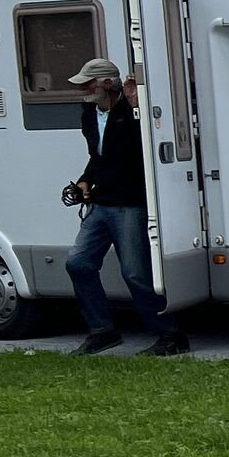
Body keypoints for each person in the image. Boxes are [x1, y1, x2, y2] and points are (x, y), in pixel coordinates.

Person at [65, 57, 189, 357]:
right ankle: (102, 330)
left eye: (88, 83)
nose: (83, 88)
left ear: (107, 83)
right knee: (78, 263)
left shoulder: (132, 112)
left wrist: (137, 108)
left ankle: (170, 334)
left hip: (129, 204)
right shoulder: (88, 114)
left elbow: (146, 146)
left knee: (135, 273)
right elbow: (98, 157)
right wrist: (84, 182)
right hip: (102, 202)